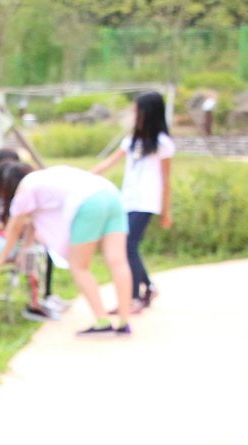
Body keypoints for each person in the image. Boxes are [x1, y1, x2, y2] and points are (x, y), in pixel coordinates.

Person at [0, 162, 134, 338]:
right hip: (111, 194)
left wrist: (2, 258)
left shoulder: (26, 187)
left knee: (79, 266)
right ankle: (125, 322)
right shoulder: (48, 177)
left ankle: (102, 322)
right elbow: (31, 224)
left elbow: (14, 227)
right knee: (118, 261)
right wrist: (25, 248)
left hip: (88, 202)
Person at [91, 90, 174, 312]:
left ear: (149, 113)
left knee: (128, 245)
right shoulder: (132, 141)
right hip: (127, 201)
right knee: (128, 246)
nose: (135, 114)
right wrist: (85, 177)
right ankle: (147, 287)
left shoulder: (163, 143)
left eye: (138, 110)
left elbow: (166, 180)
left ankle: (133, 297)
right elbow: (108, 163)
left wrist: (166, 211)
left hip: (146, 202)